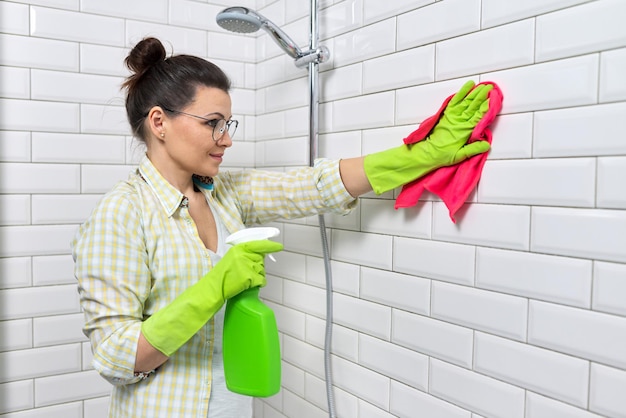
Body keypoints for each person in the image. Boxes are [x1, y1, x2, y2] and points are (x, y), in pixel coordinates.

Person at [72, 37, 492, 418]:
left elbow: (312, 187)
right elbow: (116, 358)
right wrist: (213, 288)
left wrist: (418, 156)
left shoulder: (224, 193)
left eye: (228, 124)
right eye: (212, 123)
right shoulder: (121, 214)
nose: (226, 138)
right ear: (159, 122)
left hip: (233, 405)